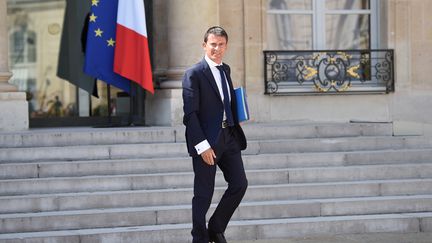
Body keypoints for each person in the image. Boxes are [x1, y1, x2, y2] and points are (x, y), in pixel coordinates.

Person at [182, 26, 248, 243]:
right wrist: (202, 146)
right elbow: (190, 115)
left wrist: (238, 113)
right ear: (204, 45)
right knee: (203, 194)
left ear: (226, 46)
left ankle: (216, 227)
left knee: (239, 183)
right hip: (207, 142)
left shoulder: (225, 70)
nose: (217, 49)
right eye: (213, 44)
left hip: (229, 137)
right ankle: (199, 239)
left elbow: (223, 102)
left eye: (221, 45)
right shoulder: (193, 74)